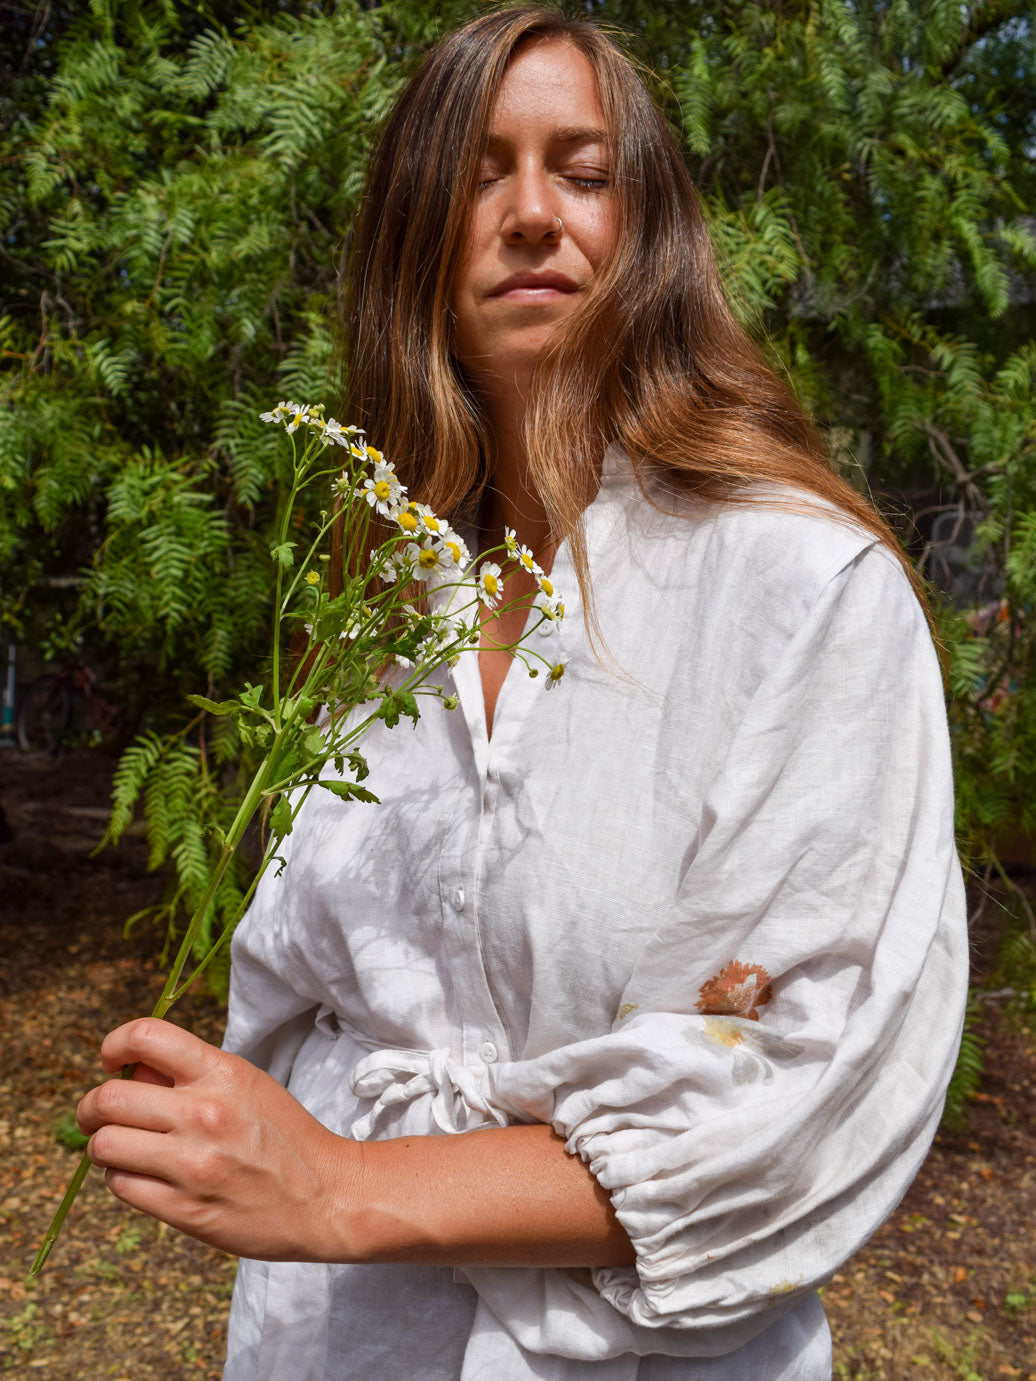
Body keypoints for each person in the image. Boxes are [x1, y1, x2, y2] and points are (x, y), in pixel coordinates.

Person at [76, 8, 968, 1379]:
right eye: (483, 170)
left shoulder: (802, 589)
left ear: (649, 227)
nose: (535, 213)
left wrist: (342, 1189)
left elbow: (795, 1083)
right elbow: (308, 1000)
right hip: (333, 1343)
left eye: (584, 170)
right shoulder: (374, 596)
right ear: (415, 236)